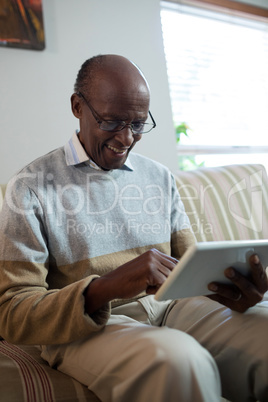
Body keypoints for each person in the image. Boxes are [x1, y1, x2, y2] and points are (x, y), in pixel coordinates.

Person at [0, 54, 267, 402]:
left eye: (138, 124)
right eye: (112, 122)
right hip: (89, 327)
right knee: (178, 362)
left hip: (172, 307)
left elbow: (191, 267)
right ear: (78, 106)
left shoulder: (159, 177)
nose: (127, 138)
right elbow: (12, 312)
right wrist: (107, 286)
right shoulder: (29, 188)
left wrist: (235, 289)